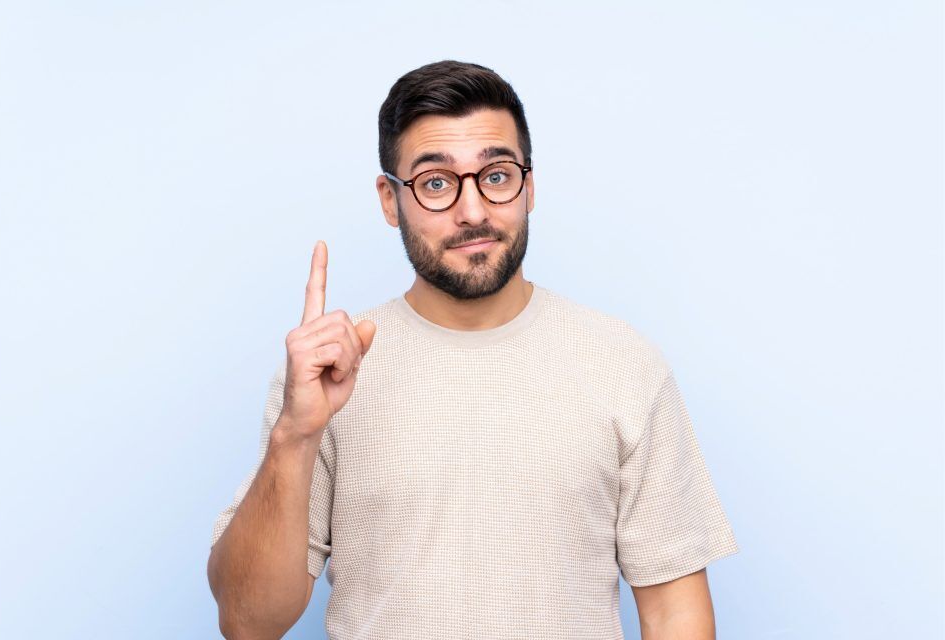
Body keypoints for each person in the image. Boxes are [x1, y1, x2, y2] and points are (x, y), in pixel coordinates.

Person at [207, 60, 739, 640]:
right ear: (390, 201)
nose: (474, 211)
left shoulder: (621, 362)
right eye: (436, 182)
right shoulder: (329, 375)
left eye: (497, 175)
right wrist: (296, 433)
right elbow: (247, 623)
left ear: (529, 186)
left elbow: (674, 613)